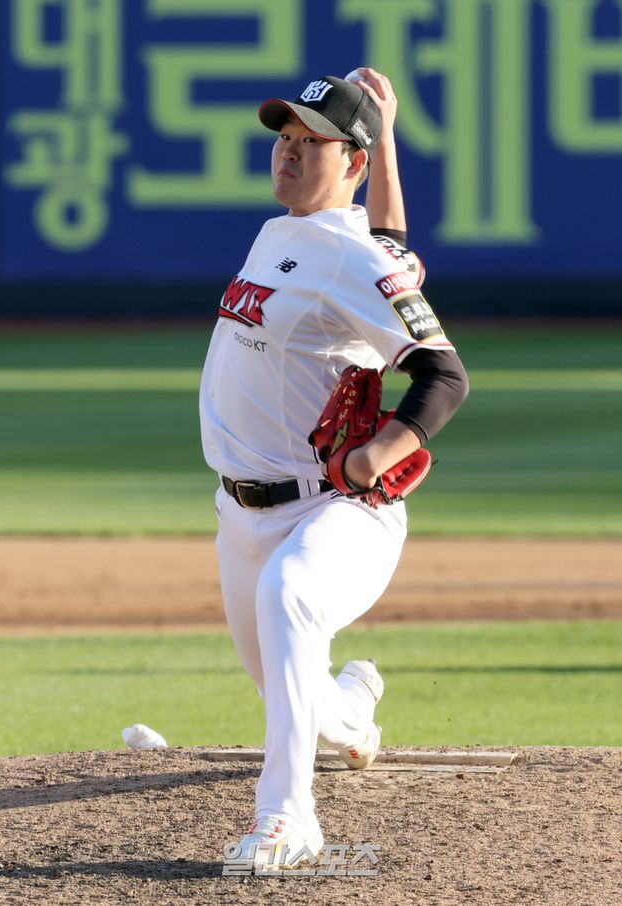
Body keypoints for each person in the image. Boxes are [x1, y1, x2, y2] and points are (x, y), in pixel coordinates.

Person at [199, 69, 469, 870]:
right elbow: (392, 245)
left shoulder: (349, 257)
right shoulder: (284, 234)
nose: (288, 152)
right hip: (241, 516)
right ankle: (352, 712)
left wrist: (377, 452)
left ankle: (288, 819)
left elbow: (445, 375)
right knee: (294, 692)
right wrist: (385, 137)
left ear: (349, 163)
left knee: (290, 597)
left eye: (311, 143)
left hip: (332, 509)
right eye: (285, 137)